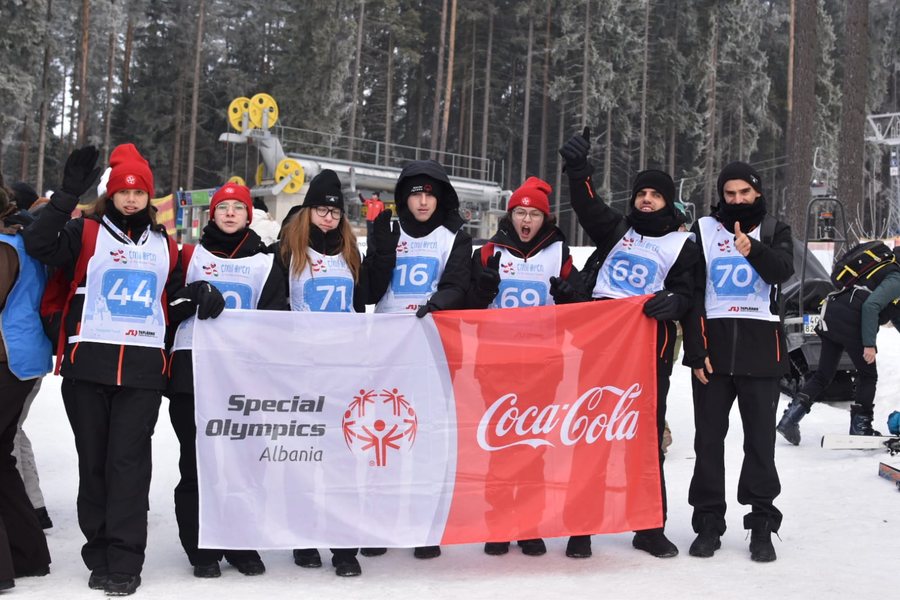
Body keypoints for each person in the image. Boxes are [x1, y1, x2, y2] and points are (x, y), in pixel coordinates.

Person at [23, 144, 213, 595]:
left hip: (143, 373)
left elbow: (176, 294)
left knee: (129, 465)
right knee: (93, 465)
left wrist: (203, 292)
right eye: (123, 191)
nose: (131, 200)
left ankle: (126, 559)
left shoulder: (165, 245)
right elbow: (38, 244)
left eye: (139, 192)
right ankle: (100, 552)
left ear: (149, 197)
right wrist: (68, 194)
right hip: (88, 367)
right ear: (111, 193)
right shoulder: (85, 231)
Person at [559, 129, 700, 559]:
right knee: (589, 436)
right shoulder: (617, 230)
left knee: (644, 440)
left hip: (646, 355)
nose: (646, 201)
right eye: (641, 194)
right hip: (598, 348)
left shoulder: (682, 246)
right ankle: (581, 525)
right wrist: (579, 168)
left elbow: (690, 296)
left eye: (655, 196)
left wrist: (674, 302)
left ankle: (648, 525)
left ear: (667, 202)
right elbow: (586, 204)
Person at [278, 169, 396, 576]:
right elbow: (271, 308)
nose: (328, 217)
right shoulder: (288, 251)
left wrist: (382, 244)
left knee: (344, 458)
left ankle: (344, 546)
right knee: (305, 457)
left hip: (343, 370)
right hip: (302, 371)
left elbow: (367, 296)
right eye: (321, 209)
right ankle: (304, 538)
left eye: (334, 211)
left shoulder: (349, 253)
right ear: (308, 211)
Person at [167, 183, 286, 578]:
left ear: (249, 216)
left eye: (238, 207)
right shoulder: (189, 255)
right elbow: (168, 307)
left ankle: (239, 541)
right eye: (224, 207)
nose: (231, 213)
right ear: (212, 214)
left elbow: (276, 321)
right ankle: (201, 545)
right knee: (196, 462)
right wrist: (193, 292)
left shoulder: (267, 262)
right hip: (193, 372)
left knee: (243, 463)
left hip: (243, 377)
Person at [681, 161, 794, 563]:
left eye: (744, 193)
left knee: (759, 445)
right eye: (729, 194)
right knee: (708, 443)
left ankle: (762, 522)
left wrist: (753, 249)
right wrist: (694, 349)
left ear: (757, 193)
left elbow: (783, 270)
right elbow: (691, 291)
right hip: (712, 356)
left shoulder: (775, 227)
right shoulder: (704, 230)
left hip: (761, 354)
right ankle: (709, 521)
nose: (737, 200)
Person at [467, 176, 584, 558]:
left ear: (544, 218)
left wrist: (569, 296)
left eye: (534, 214)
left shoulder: (558, 251)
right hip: (497, 364)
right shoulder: (487, 252)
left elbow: (580, 301)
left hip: (542, 365)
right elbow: (466, 307)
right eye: (521, 212)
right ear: (511, 214)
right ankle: (500, 522)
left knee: (534, 446)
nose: (527, 220)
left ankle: (528, 525)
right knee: (501, 446)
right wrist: (481, 291)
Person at [367, 159, 472, 560]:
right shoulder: (390, 229)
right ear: (404, 198)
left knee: (425, 436)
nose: (423, 201)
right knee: (383, 437)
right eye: (415, 193)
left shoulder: (453, 235)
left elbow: (458, 283)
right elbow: (370, 291)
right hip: (389, 345)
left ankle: (425, 524)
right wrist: (381, 251)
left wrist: (438, 303)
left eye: (429, 193)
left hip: (431, 344)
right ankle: (379, 523)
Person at [776, 248, 900, 443]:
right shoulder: (896, 278)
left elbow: (895, 314)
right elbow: (871, 306)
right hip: (851, 322)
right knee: (868, 375)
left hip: (832, 315)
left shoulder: (881, 271)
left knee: (823, 375)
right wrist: (869, 344)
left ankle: (789, 419)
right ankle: (861, 427)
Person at [0, 179, 53, 593]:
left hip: (7, 358)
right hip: (20, 358)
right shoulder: (18, 237)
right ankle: (28, 553)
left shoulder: (5, 244)